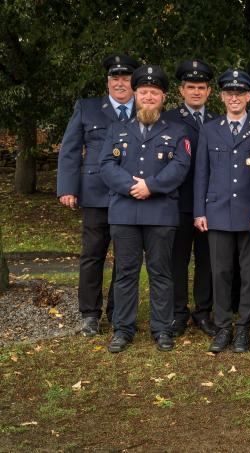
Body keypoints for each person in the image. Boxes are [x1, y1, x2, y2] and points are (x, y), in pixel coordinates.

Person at [98, 64, 190, 352]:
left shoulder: (177, 131)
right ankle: (123, 329)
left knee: (161, 272)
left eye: (155, 93)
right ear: (135, 95)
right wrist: (131, 186)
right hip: (124, 212)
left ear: (163, 98)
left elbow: (180, 167)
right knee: (125, 272)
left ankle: (162, 328)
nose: (149, 97)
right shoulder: (117, 129)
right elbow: (106, 165)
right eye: (144, 92)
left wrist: (151, 186)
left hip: (160, 212)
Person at [57, 54, 138, 337]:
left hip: (130, 194)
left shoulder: (145, 108)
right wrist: (67, 188)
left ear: (134, 82)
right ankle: (90, 314)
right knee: (93, 255)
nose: (120, 83)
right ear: (107, 81)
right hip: (96, 193)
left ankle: (118, 312)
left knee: (126, 257)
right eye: (115, 78)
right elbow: (70, 149)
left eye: (126, 78)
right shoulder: (88, 107)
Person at [193, 69, 250, 353]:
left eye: (240, 93)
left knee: (248, 274)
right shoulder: (210, 129)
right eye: (229, 93)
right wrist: (199, 211)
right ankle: (222, 327)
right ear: (221, 97)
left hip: (249, 213)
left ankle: (243, 327)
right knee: (220, 272)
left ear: (248, 96)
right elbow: (202, 173)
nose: (234, 98)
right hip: (218, 211)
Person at [162, 59, 219, 337]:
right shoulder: (168, 120)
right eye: (191, 87)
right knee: (178, 259)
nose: (196, 92)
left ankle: (203, 312)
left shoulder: (217, 121)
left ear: (209, 91)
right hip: (179, 201)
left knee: (207, 260)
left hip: (210, 203)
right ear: (181, 90)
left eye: (201, 87)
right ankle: (178, 312)